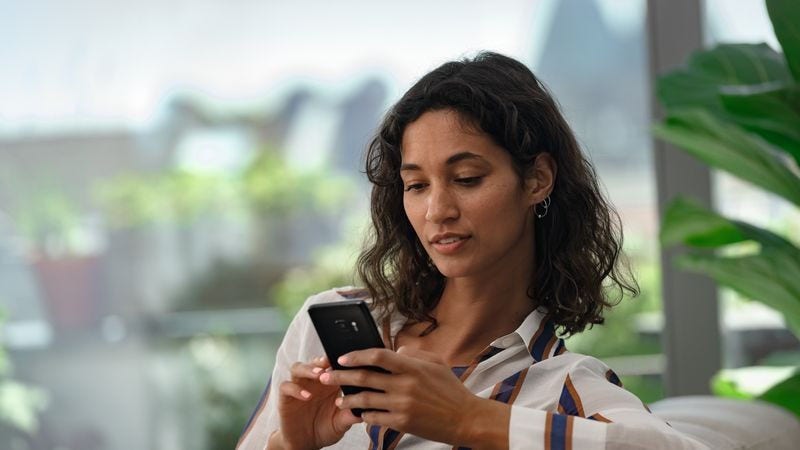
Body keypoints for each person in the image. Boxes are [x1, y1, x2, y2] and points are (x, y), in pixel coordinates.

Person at [237, 51, 707, 449]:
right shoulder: (327, 325)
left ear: (537, 179)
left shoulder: (565, 388)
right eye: (416, 185)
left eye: (466, 179)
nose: (437, 209)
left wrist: (467, 418)